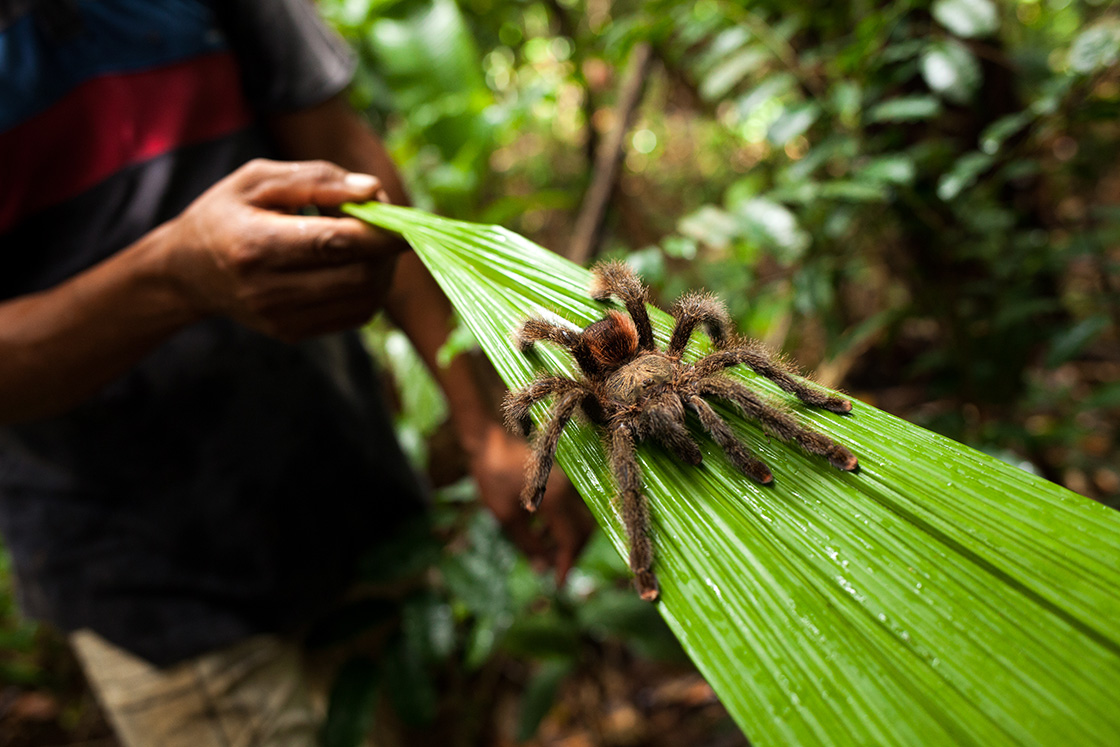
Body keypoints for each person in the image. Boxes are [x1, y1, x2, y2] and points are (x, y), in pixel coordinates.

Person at [0, 1, 588, 744]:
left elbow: (354, 168)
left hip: (347, 491)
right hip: (139, 572)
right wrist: (173, 278)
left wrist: (494, 429)